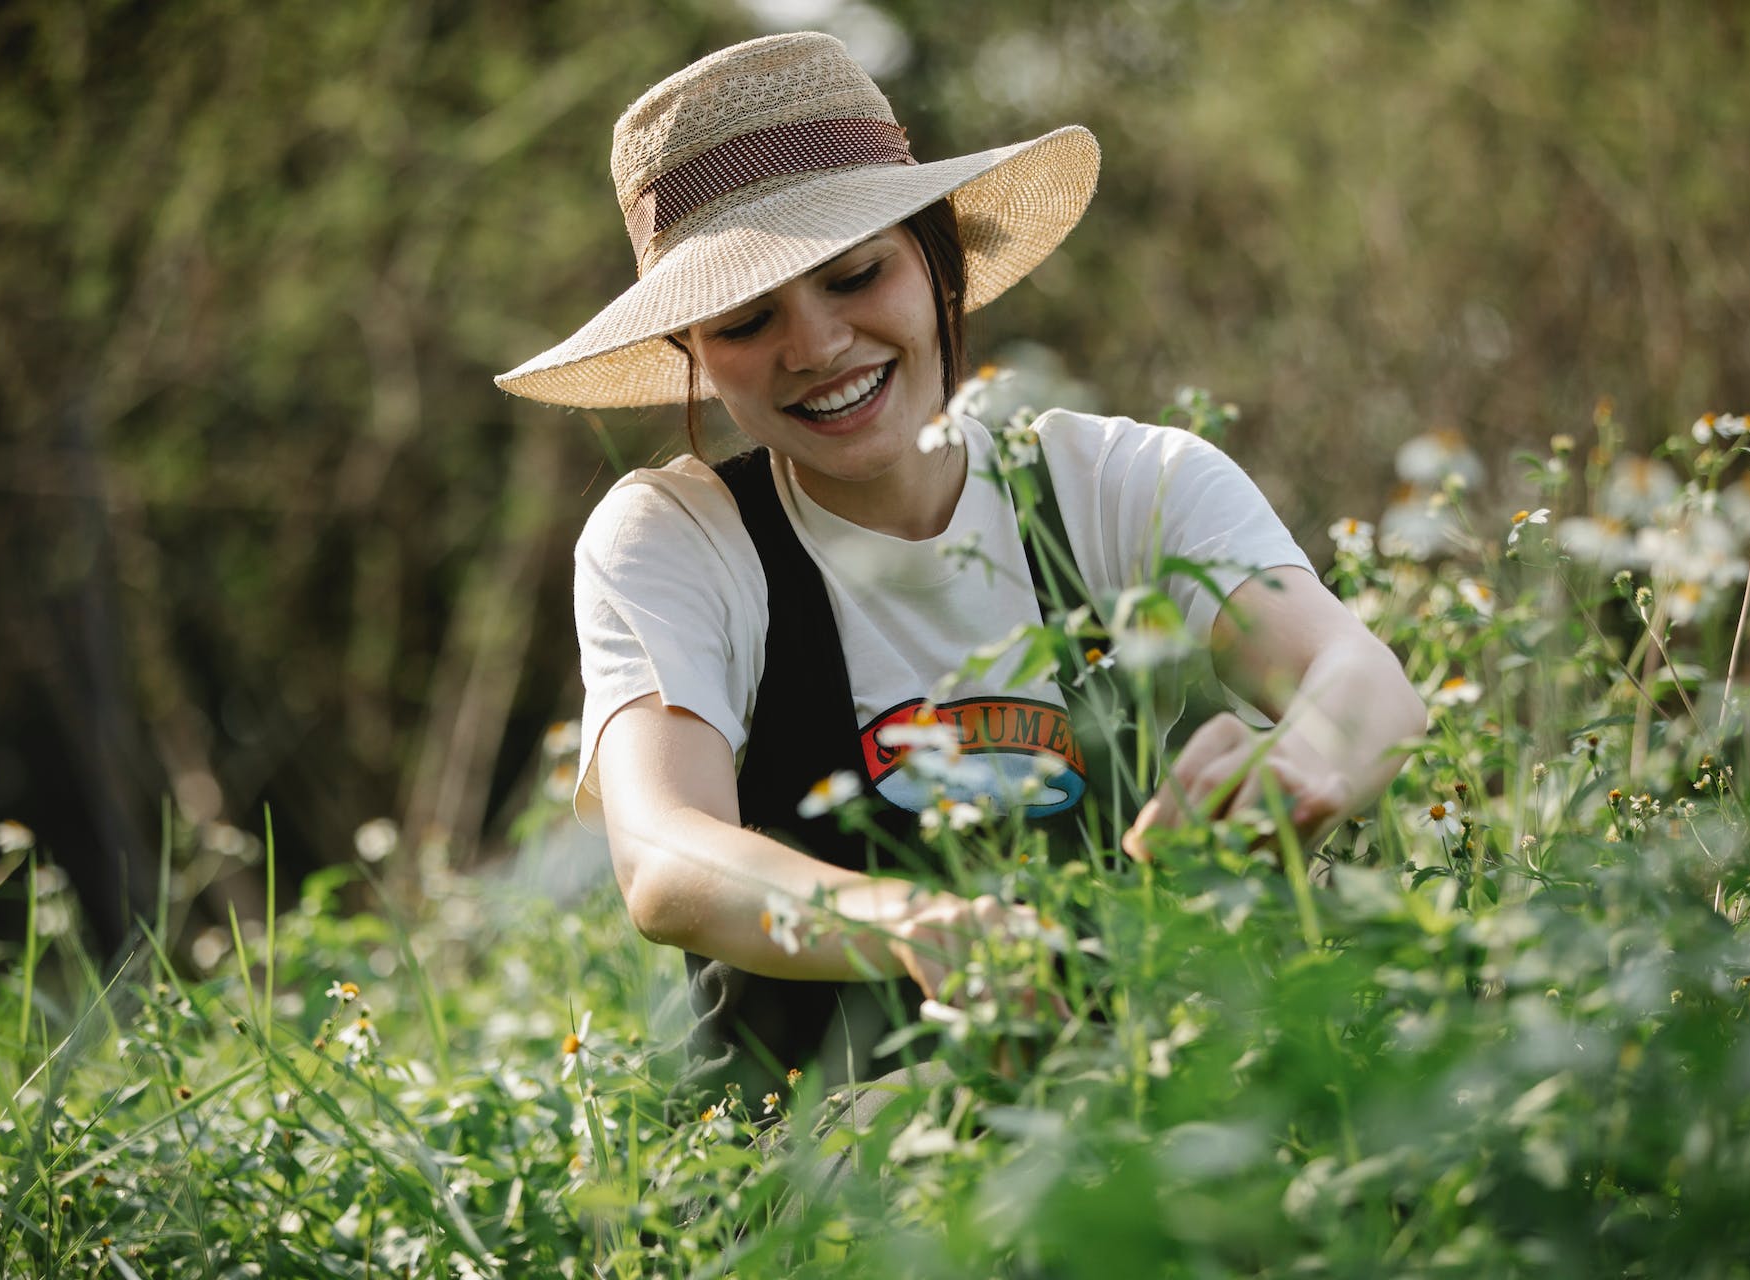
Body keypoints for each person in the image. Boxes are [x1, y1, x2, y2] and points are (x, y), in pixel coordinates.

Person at [495, 31, 1424, 1107]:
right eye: (748, 320)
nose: (817, 345)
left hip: (1133, 1120)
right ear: (693, 355)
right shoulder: (676, 536)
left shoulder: (1120, 483)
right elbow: (663, 855)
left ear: (938, 255)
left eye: (855, 275)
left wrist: (1300, 762)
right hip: (814, 1171)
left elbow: (1368, 683)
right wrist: (902, 922)